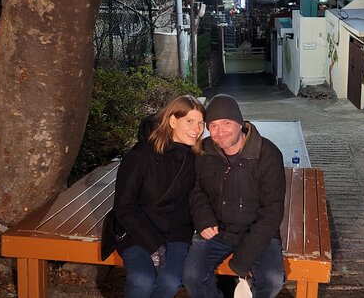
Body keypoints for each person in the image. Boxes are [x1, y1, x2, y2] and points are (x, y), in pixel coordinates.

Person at [183, 94, 286, 298]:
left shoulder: (268, 154)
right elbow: (194, 189)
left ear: (240, 123)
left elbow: (272, 211)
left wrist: (243, 258)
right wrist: (203, 220)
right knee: (192, 277)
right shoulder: (203, 151)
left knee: (272, 280)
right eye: (213, 126)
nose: (220, 132)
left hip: (257, 232)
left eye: (226, 123)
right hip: (217, 230)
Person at [113, 95, 205, 298]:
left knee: (170, 280)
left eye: (200, 123)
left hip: (175, 232)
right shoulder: (139, 156)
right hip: (136, 229)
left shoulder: (195, 158)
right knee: (142, 280)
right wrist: (154, 244)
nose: (197, 129)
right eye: (189, 121)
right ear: (173, 121)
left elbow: (195, 199)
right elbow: (124, 206)